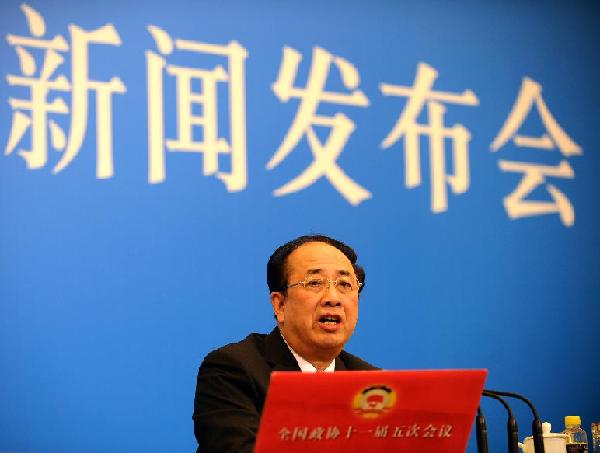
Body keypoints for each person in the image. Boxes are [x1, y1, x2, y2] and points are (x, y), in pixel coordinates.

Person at [192, 234, 376, 453]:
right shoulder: (234, 371)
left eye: (345, 284)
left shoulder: (369, 382)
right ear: (279, 305)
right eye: (315, 283)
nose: (333, 298)